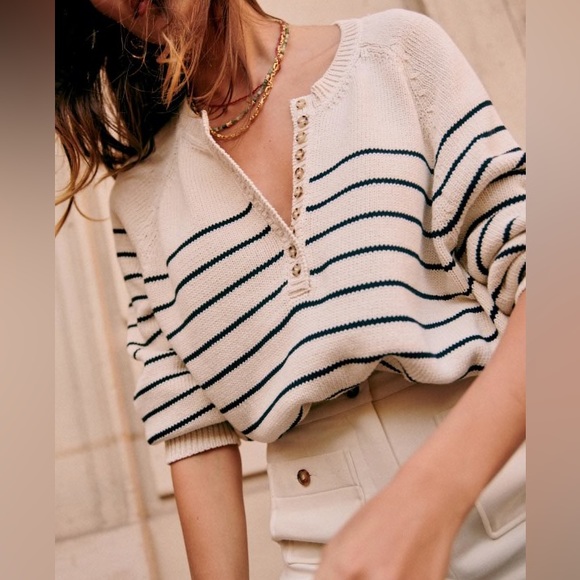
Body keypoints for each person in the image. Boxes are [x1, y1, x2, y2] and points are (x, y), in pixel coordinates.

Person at [55, 1, 526, 578]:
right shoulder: (142, 197)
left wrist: (427, 499)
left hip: (516, 522)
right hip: (325, 561)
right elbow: (192, 429)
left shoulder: (397, 53)